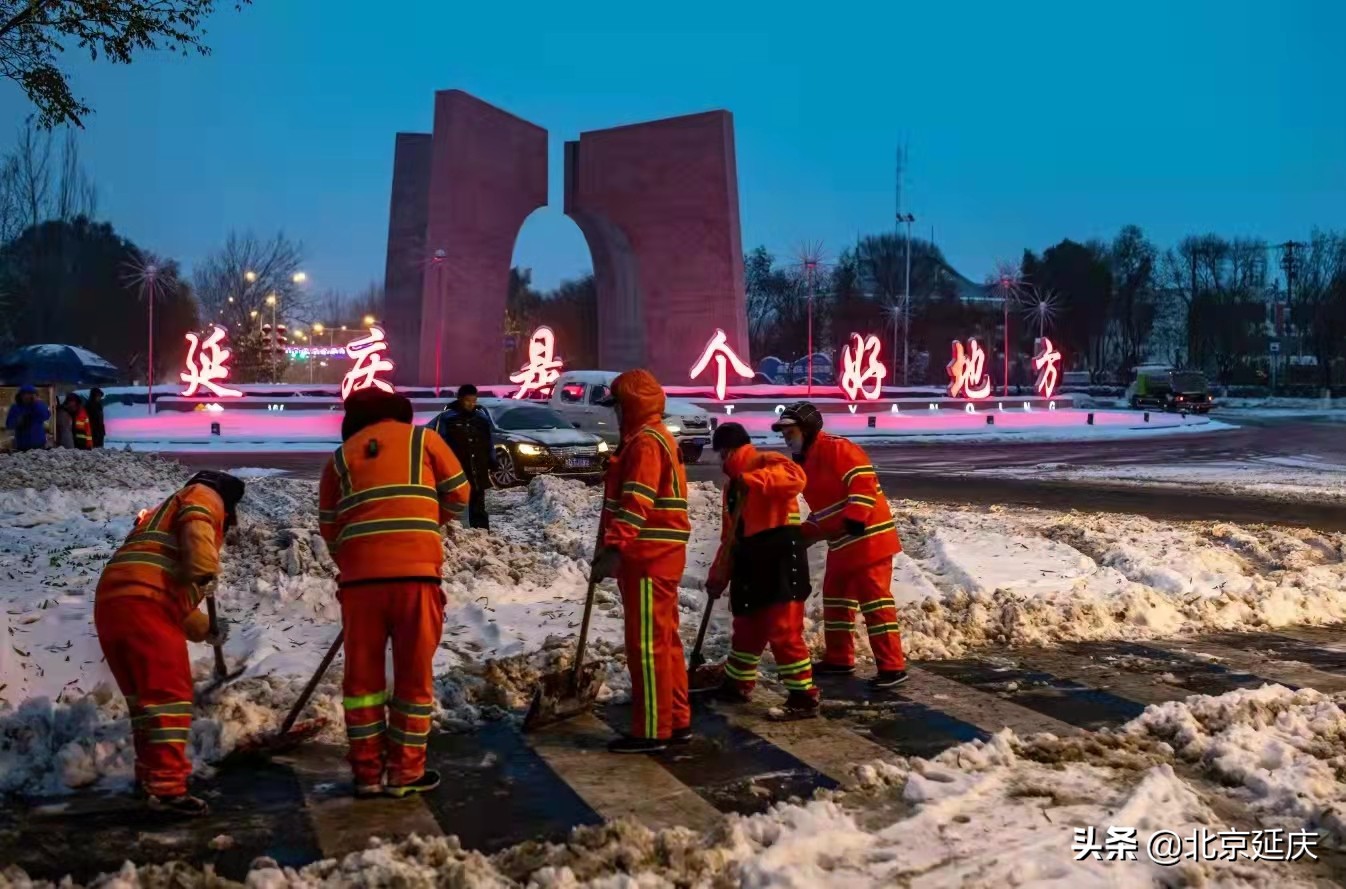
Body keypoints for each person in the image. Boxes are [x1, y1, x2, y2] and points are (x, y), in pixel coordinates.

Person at [319, 388, 471, 799]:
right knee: (412, 678)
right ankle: (405, 772)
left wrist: (354, 561)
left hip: (359, 586)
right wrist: (425, 524)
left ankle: (367, 774)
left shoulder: (340, 458)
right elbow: (460, 493)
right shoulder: (425, 439)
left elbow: (329, 525)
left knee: (362, 682)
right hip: (416, 580)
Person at [94, 470, 246, 816]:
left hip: (117, 601)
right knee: (168, 696)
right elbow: (198, 524)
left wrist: (207, 629)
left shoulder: (162, 516)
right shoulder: (204, 494)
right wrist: (205, 569)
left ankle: (149, 778)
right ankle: (166, 791)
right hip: (144, 601)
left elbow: (167, 594)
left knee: (145, 702)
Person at [772, 402, 907, 689]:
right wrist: (801, 534)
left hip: (870, 540)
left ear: (808, 430)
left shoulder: (837, 448)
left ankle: (892, 667)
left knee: (876, 604)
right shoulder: (804, 461)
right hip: (843, 544)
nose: (786, 437)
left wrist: (856, 517)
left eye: (790, 431)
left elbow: (862, 482)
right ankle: (839, 658)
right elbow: (825, 509)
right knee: (835, 599)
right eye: (783, 432)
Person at [590, 369, 691, 753]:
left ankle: (652, 729)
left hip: (649, 557)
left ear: (631, 405)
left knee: (647, 645)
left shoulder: (646, 443)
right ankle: (676, 718)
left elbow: (636, 502)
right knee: (664, 642)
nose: (615, 414)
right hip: (658, 556)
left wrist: (614, 549)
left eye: (617, 406)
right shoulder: (649, 439)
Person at [692, 422, 817, 719]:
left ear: (729, 450)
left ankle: (804, 696)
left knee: (783, 629)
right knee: (747, 626)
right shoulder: (732, 488)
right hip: (749, 557)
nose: (720, 462)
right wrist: (718, 576)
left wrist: (754, 480)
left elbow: (795, 479)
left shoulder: (767, 462)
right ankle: (738, 682)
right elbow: (729, 538)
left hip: (779, 555)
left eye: (720, 455)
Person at [434, 384, 496, 529]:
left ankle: (481, 531)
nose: (471, 404)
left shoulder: (481, 418)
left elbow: (489, 441)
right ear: (460, 399)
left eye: (474, 401)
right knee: (458, 501)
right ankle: (459, 531)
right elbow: (439, 442)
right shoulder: (447, 418)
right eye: (468, 401)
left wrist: (492, 460)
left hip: (478, 467)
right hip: (457, 467)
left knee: (478, 500)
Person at [6, 386, 50, 451]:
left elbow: (45, 416)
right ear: (20, 396)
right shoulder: (15, 408)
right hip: (22, 445)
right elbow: (9, 424)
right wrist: (18, 421)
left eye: (30, 395)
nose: (27, 397)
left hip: (39, 445)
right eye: (24, 394)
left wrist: (36, 403)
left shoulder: (38, 406)